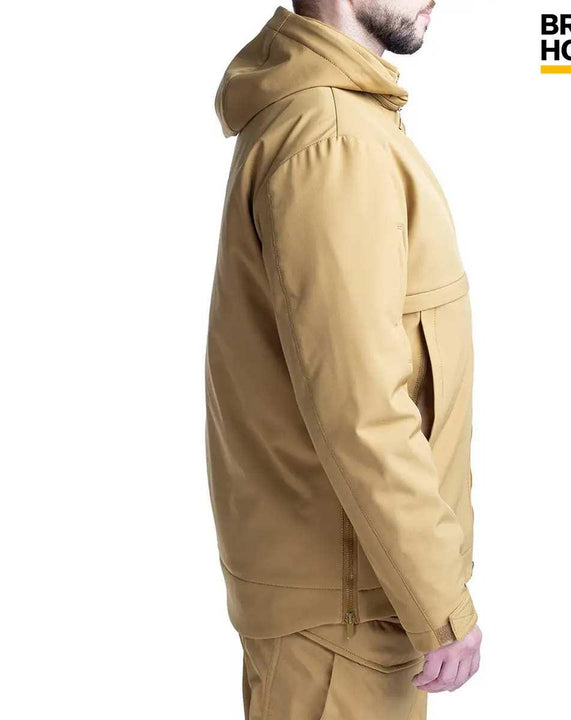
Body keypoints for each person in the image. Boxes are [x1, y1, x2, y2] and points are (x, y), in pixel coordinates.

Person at [205, 2, 482, 717]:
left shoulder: (336, 120)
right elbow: (360, 407)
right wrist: (439, 599)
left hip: (348, 601)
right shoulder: (335, 141)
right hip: (346, 616)